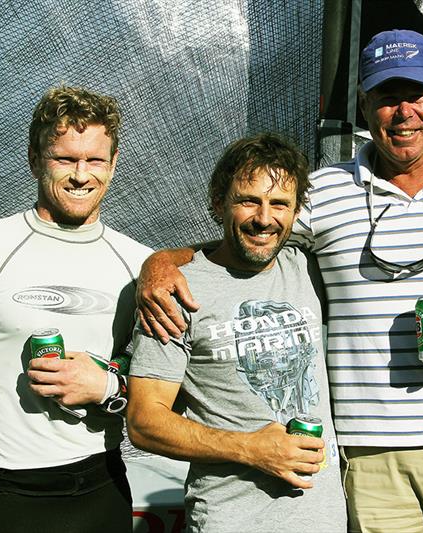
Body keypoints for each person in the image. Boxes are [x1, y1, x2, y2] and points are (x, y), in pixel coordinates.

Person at [137, 30, 423, 532]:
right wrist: (161, 262)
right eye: (386, 96)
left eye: (417, 93)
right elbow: (251, 232)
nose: (403, 111)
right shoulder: (324, 192)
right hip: (372, 460)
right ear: (364, 105)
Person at [126, 133, 347, 532]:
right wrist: (250, 448)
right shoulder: (175, 291)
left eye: (279, 204)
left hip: (324, 520)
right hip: (231, 521)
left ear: (296, 213)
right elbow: (143, 421)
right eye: (248, 200)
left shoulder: (309, 269)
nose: (264, 218)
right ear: (218, 203)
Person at [0, 86, 150, 533]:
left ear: (114, 163)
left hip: (106, 485)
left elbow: (164, 390)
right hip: (12, 495)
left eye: (95, 160)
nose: (81, 175)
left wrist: (107, 384)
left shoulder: (138, 264)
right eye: (65, 159)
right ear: (34, 159)